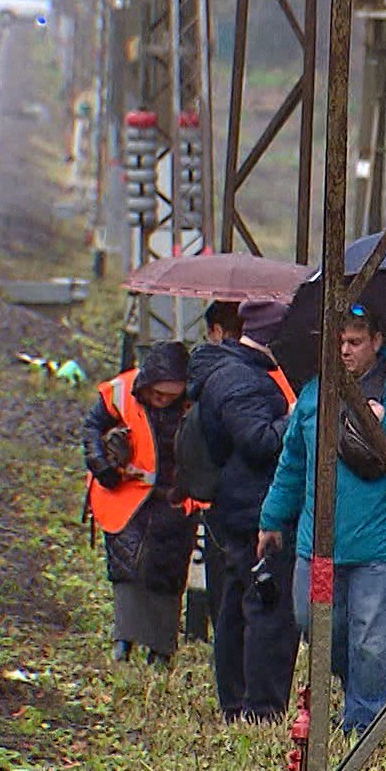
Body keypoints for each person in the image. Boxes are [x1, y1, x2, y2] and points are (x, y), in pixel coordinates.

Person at [259, 303, 386, 737]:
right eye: (339, 341)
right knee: (315, 624)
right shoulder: (314, 393)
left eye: (354, 342)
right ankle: (377, 690)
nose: (344, 351)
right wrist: (272, 518)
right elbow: (293, 461)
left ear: (377, 342)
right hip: (320, 545)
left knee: (370, 639)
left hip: (382, 547)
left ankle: (363, 724)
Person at [188, 299, 302, 721]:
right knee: (267, 609)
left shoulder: (232, 371)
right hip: (255, 509)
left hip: (238, 506)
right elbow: (259, 440)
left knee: (238, 605)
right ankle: (261, 708)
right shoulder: (242, 380)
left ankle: (238, 703)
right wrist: (294, 417)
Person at [83, 342, 198, 668]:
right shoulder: (120, 391)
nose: (163, 400)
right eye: (158, 394)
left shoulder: (194, 402)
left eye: (170, 396)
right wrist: (102, 466)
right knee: (126, 571)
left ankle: (160, 649)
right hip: (125, 495)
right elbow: (92, 428)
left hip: (175, 502)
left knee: (168, 575)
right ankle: (124, 641)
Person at [183, 300, 249, 644]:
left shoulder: (201, 376)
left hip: (217, 499)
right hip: (257, 504)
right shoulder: (268, 375)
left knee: (225, 596)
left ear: (217, 332)